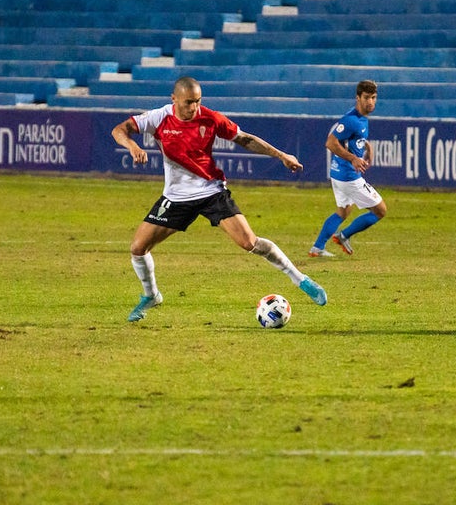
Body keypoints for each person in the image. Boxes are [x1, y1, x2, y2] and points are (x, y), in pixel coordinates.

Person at [112, 76, 327, 322]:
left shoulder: (211, 118)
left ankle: (301, 280)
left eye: (197, 101)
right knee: (138, 248)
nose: (194, 107)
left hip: (211, 192)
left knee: (249, 242)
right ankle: (151, 296)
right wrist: (132, 146)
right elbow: (119, 130)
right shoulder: (159, 118)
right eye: (188, 102)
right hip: (176, 197)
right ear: (174, 99)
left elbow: (245, 139)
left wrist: (281, 155)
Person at [310, 80, 386, 258]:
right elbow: (330, 142)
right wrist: (353, 158)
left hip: (338, 174)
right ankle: (343, 236)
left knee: (343, 211)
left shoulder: (360, 118)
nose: (370, 102)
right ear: (358, 97)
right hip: (348, 176)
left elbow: (352, 138)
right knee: (380, 210)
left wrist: (367, 147)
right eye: (366, 97)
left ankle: (317, 248)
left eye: (374, 98)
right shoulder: (351, 120)